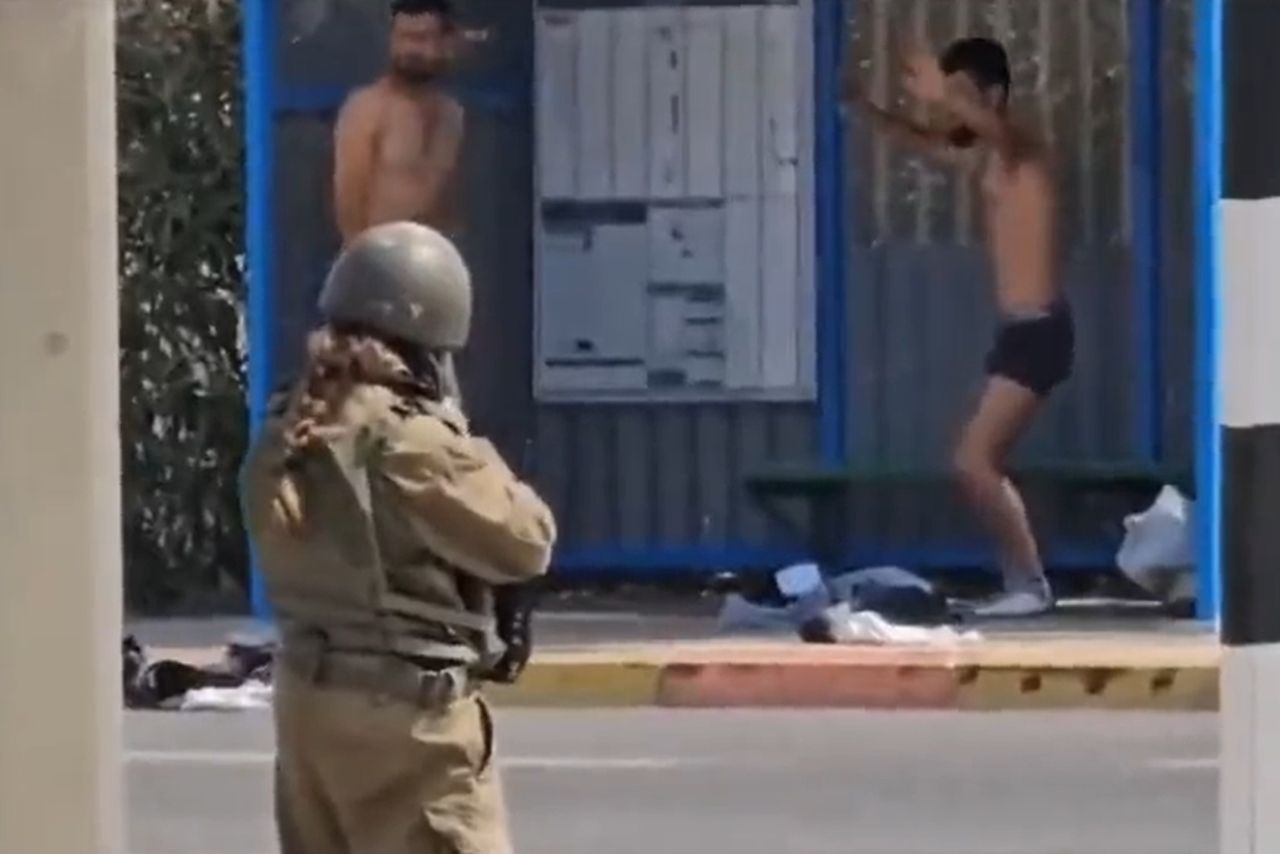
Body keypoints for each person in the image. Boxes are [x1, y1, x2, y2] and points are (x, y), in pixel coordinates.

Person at [240, 221, 556, 853]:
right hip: (406, 725)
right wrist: (458, 432)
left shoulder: (291, 424)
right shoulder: (408, 439)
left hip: (311, 707)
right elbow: (527, 538)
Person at [846, 37, 1071, 617]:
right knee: (974, 463)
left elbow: (996, 132)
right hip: (1018, 333)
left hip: (1041, 332)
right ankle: (1022, 580)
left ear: (994, 96)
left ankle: (1030, 585)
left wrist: (941, 92)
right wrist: (864, 109)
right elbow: (924, 143)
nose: (951, 106)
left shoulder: (1026, 148)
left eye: (965, 95)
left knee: (974, 461)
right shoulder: (988, 158)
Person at [333, 0, 465, 245]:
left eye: (421, 38)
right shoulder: (367, 108)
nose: (410, 50)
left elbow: (450, 200)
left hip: (433, 261)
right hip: (379, 260)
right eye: (404, 38)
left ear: (442, 42)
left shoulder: (451, 114)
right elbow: (348, 200)